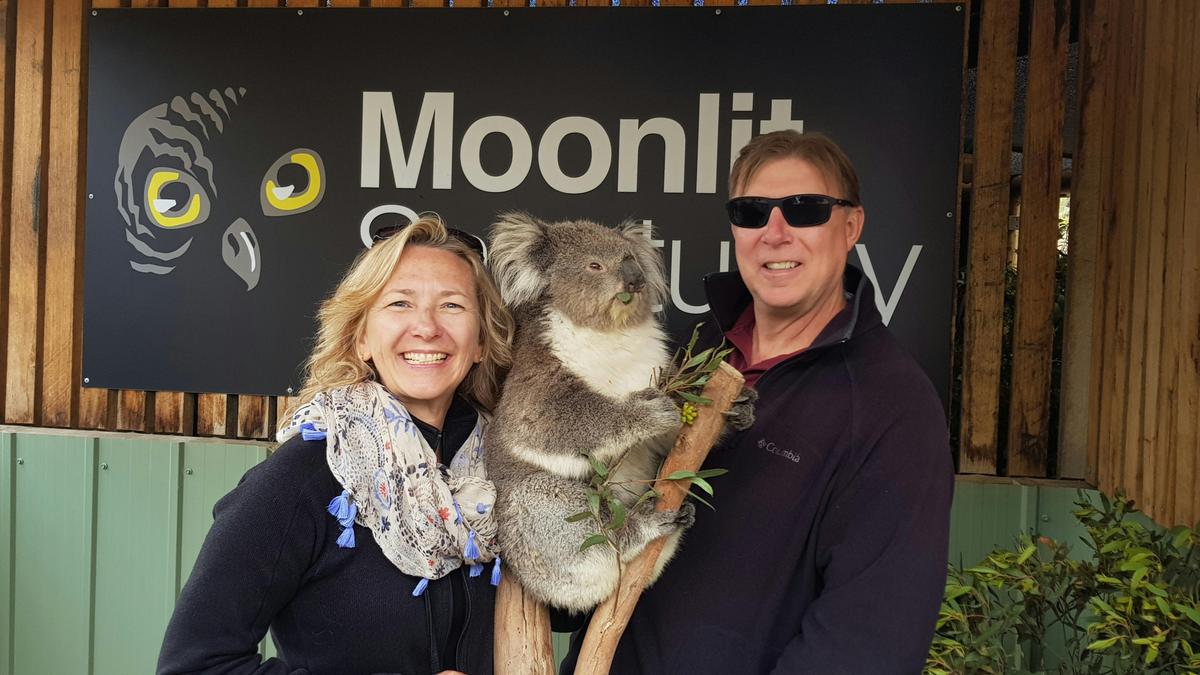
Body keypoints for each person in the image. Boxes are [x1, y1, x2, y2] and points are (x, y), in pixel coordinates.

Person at [565, 130, 954, 673]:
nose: (775, 233)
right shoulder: (687, 353)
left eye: (805, 210)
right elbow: (607, 512)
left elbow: (868, 643)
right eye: (752, 211)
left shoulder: (892, 405)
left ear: (850, 227)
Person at [158, 215, 515, 675]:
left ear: (482, 341)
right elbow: (194, 665)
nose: (426, 327)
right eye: (400, 303)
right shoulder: (307, 474)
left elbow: (567, 608)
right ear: (362, 337)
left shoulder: (505, 469)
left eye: (452, 306)